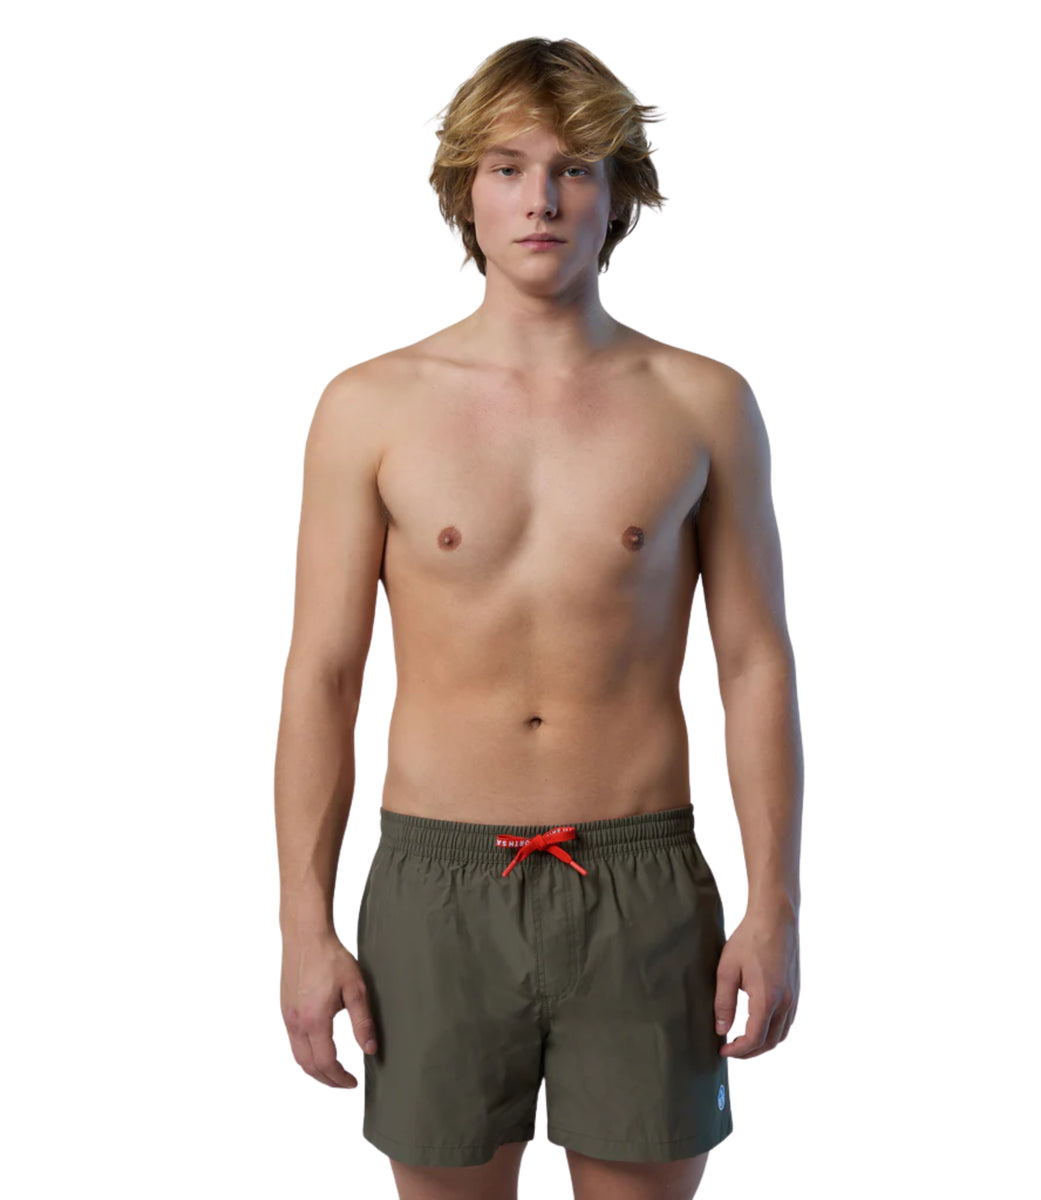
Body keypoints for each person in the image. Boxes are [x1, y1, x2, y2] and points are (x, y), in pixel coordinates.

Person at [274, 36, 803, 1200]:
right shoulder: (369, 408)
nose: (542, 200)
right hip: (436, 886)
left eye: (574, 169)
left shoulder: (702, 404)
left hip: (641, 881)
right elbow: (322, 676)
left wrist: (775, 905)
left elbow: (755, 665)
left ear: (619, 191)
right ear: (464, 189)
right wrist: (302, 926)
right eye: (508, 168)